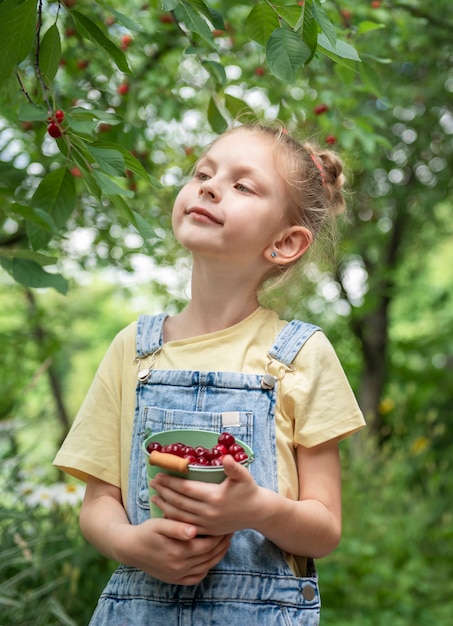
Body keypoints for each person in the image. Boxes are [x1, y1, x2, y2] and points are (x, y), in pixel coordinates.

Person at [53, 122, 365, 625]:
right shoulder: (134, 350)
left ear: (285, 242)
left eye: (243, 185)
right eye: (203, 172)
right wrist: (130, 543)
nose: (210, 186)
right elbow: (98, 504)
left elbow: (324, 529)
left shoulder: (300, 354)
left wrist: (256, 510)